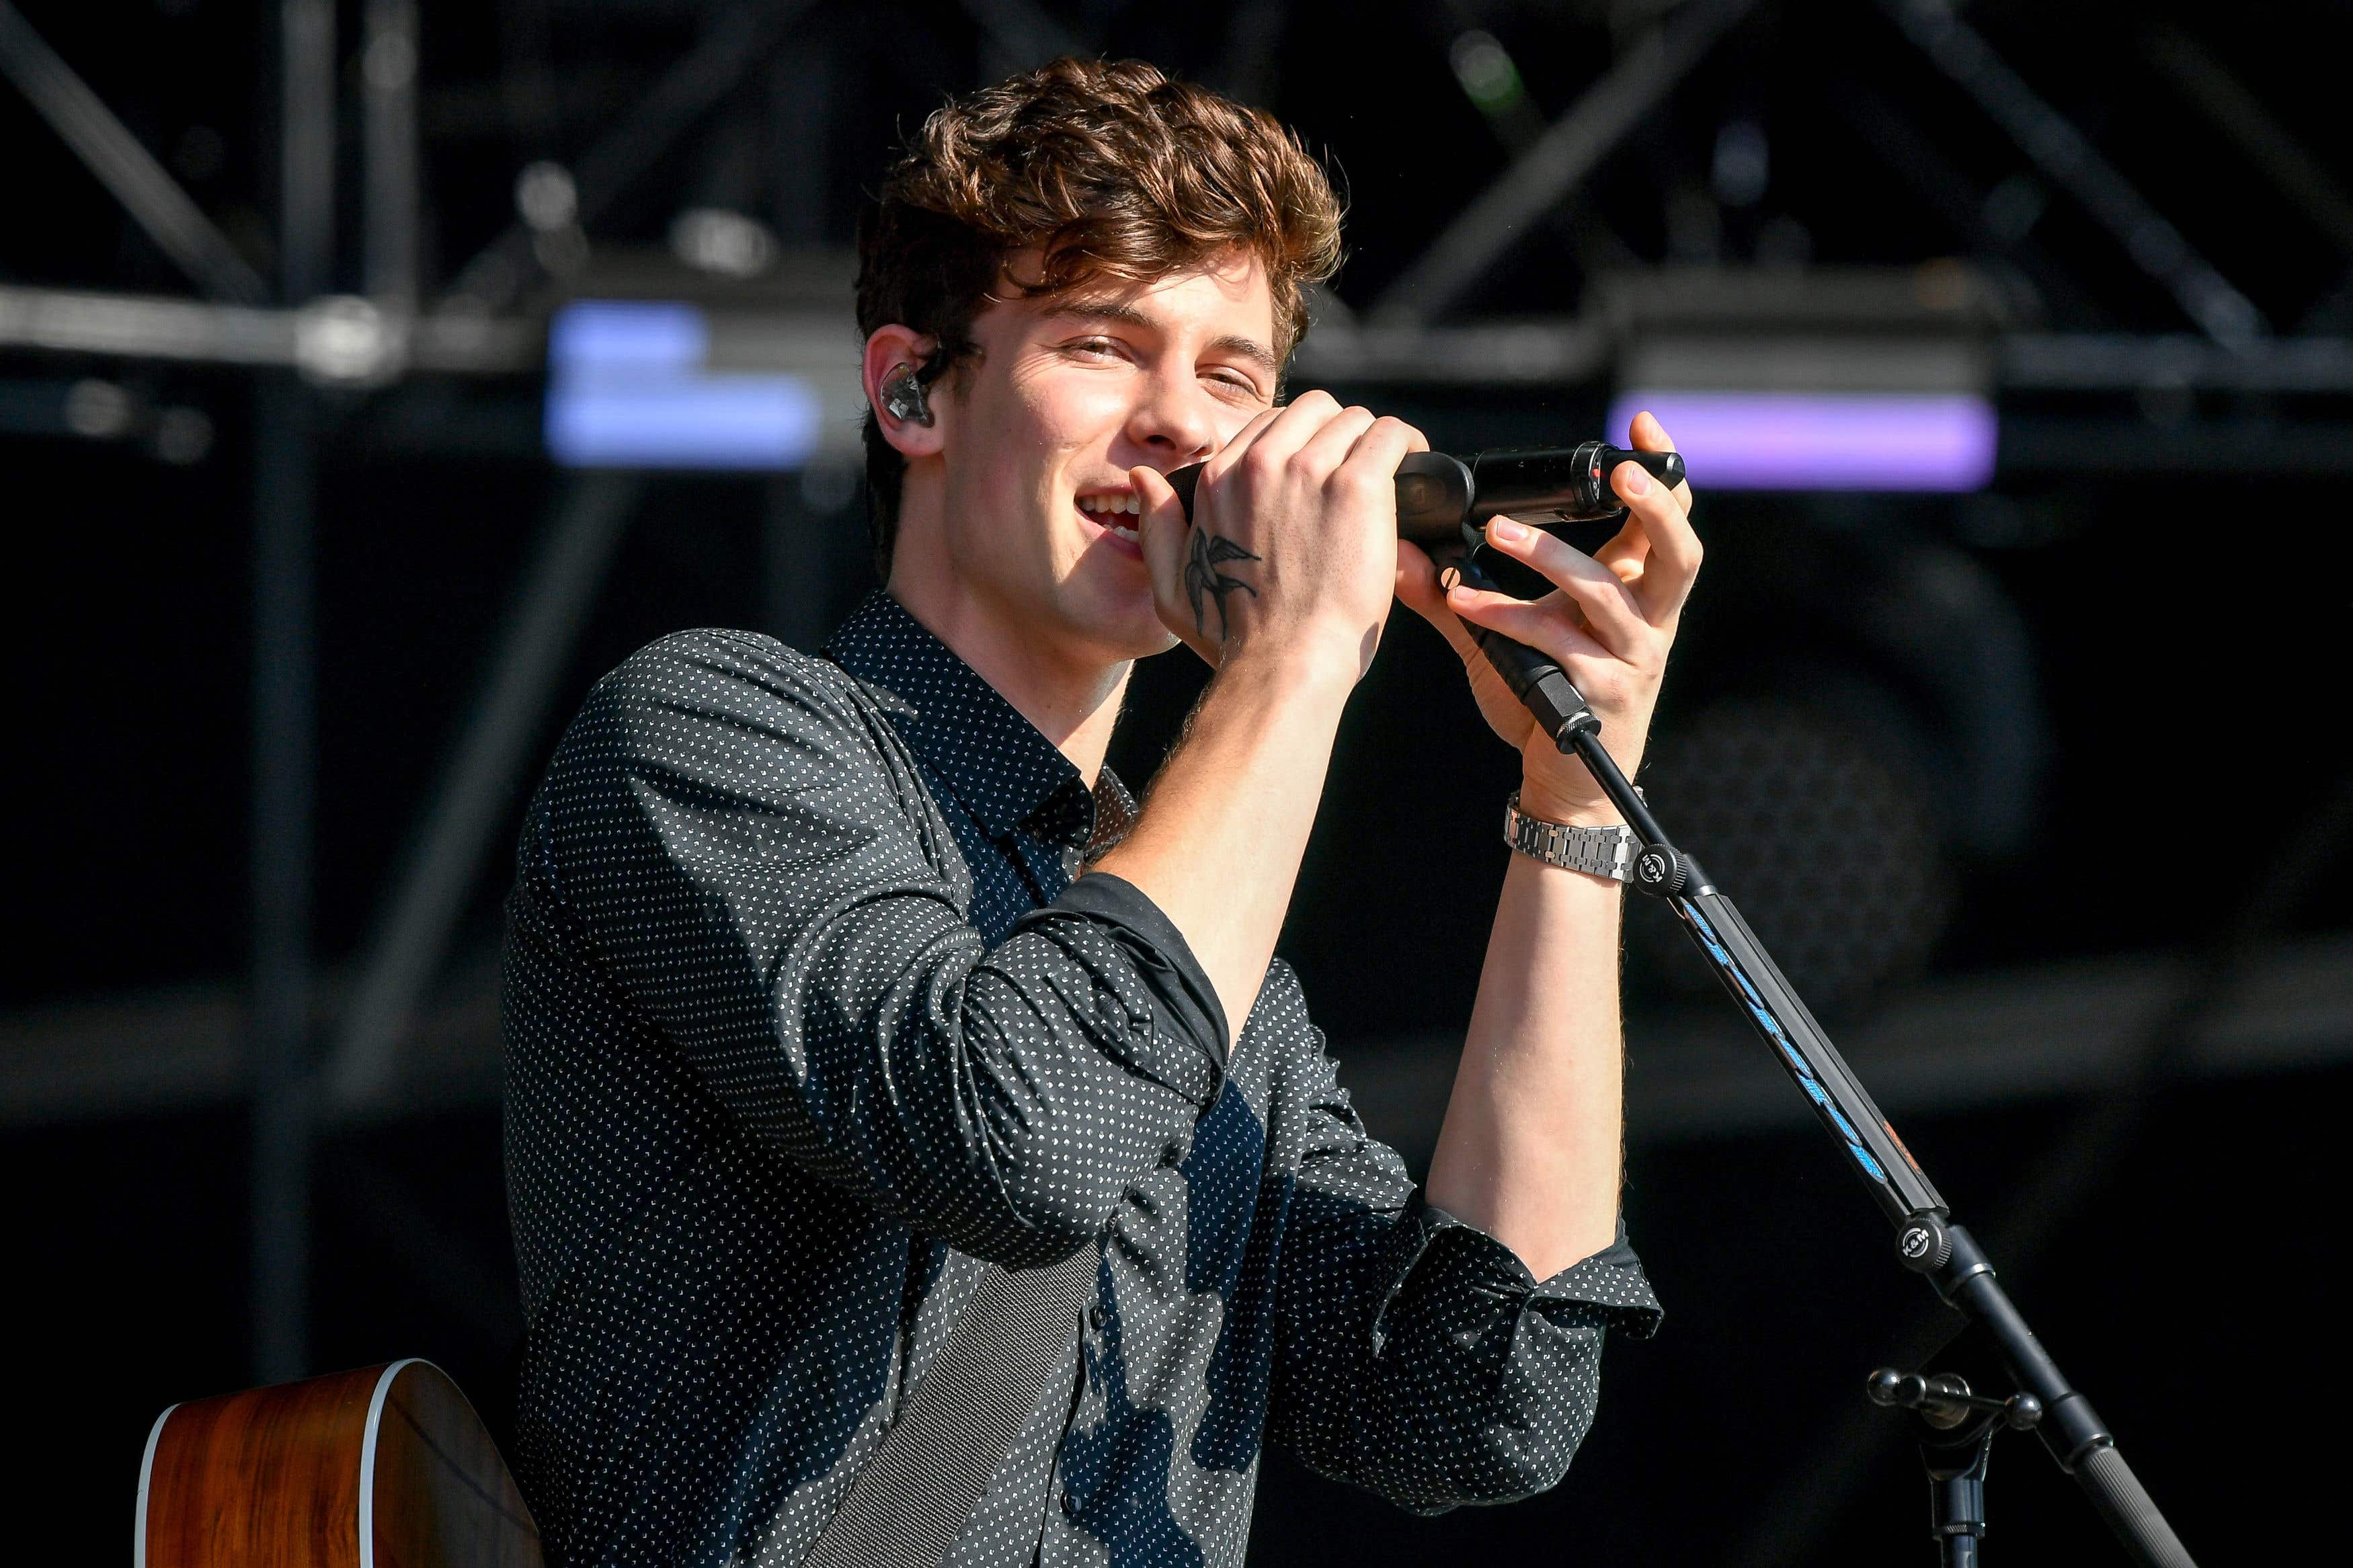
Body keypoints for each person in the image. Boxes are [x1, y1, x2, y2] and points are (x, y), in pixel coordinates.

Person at [502, 55, 1700, 1568]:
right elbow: (1019, 1135)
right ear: (912, 388)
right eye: (1101, 345)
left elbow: (1473, 1409)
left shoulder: (1224, 985)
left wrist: (1566, 810)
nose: (1180, 430)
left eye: (1230, 377)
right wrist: (1293, 659)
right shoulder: (710, 733)